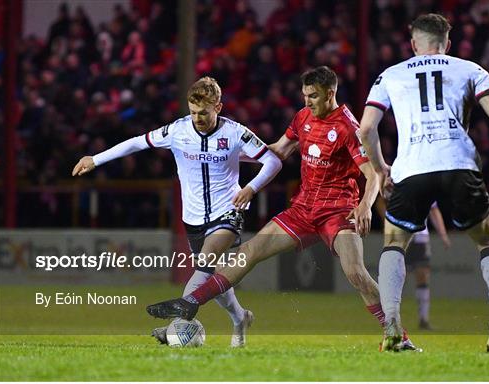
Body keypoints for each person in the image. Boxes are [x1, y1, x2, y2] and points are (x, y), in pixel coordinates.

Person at [146, 66, 418, 351]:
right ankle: (191, 302)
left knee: (355, 273)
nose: (307, 102)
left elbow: (373, 174)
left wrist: (365, 206)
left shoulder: (348, 128)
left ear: (330, 93)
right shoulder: (303, 118)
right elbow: (277, 150)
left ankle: (397, 334)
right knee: (247, 253)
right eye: (304, 96)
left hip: (337, 211)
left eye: (313, 96)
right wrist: (223, 152)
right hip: (303, 209)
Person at [72, 77, 282, 347]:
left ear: (218, 106)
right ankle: (240, 317)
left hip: (228, 211)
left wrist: (251, 189)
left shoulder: (235, 133)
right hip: (193, 217)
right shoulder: (177, 130)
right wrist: (95, 159)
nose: (198, 118)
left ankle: (177, 323)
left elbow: (272, 161)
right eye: (193, 112)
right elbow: (137, 143)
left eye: (204, 113)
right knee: (211, 274)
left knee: (205, 263)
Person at [358, 14, 489, 352]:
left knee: (394, 244)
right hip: (459, 165)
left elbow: (365, 130)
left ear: (412, 42)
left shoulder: (390, 75)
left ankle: (391, 324)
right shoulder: (470, 69)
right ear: (446, 43)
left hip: (412, 169)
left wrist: (380, 169)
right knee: (488, 242)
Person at [376, 198, 450, 330]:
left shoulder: (426, 182)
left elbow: (433, 209)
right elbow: (380, 201)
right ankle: (389, 318)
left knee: (423, 276)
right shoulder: (395, 178)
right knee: (397, 278)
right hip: (400, 235)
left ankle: (424, 320)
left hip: (421, 237)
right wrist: (388, 222)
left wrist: (443, 234)